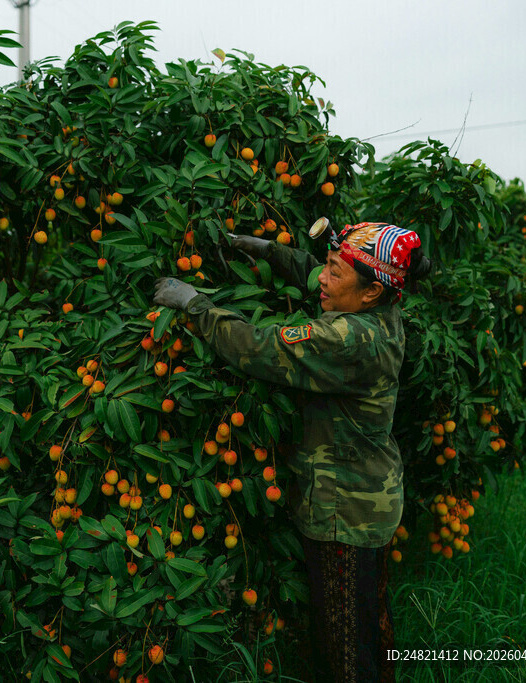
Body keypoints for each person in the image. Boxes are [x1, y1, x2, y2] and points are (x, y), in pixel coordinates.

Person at [153, 221, 432, 683]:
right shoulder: (382, 304)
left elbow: (257, 347)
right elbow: (311, 268)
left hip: (345, 512)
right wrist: (264, 249)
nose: (323, 277)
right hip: (371, 499)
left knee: (345, 646)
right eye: (328, 265)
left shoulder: (349, 340)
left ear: (369, 294)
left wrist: (195, 305)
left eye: (335, 272)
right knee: (368, 621)